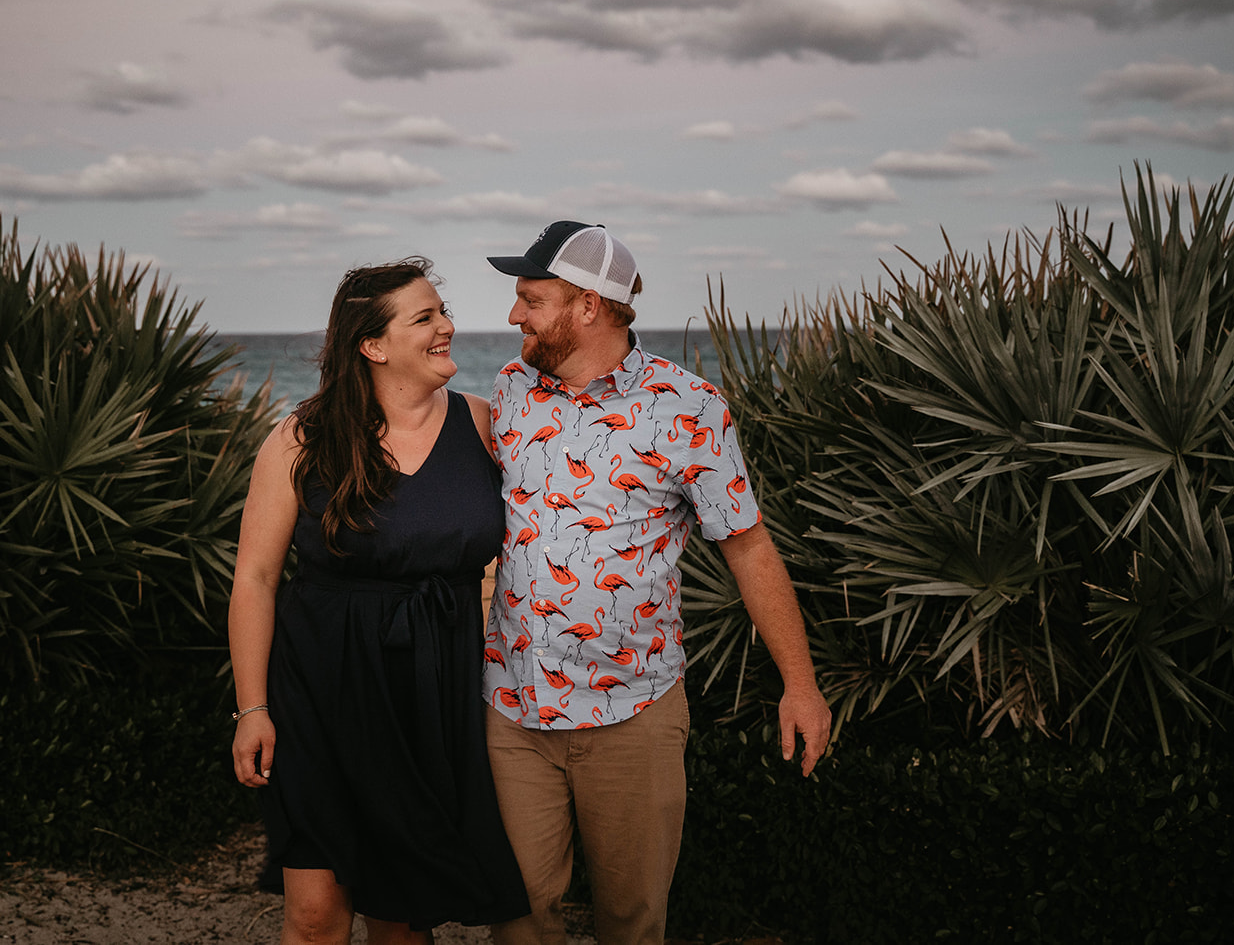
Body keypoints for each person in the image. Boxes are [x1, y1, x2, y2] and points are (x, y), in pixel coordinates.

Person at [482, 221, 833, 945]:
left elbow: (750, 547)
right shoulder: (511, 389)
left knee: (633, 923)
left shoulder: (689, 406)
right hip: (514, 710)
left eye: (531, 298)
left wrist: (800, 684)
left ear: (588, 306)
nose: (514, 314)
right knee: (517, 918)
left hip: (632, 715)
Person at [227, 258, 530, 944]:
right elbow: (255, 579)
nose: (447, 326)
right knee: (315, 911)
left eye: (441, 310)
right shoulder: (300, 439)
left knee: (400, 914)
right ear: (372, 344)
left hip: (431, 690)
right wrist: (252, 707)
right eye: (424, 317)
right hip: (320, 688)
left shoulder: (484, 426)